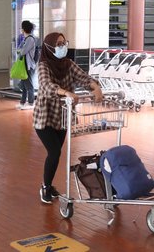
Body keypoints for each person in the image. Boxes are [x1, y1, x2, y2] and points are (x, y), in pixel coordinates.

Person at [34, 32, 103, 204]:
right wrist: (66, 92)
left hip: (63, 117)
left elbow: (83, 77)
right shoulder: (43, 65)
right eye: (58, 44)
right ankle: (45, 187)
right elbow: (46, 85)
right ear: (49, 47)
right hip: (45, 117)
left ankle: (48, 186)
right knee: (54, 152)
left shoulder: (68, 64)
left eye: (64, 43)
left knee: (56, 154)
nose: (62, 46)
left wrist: (95, 87)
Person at [16, 20, 37, 110]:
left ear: (23, 29)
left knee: (29, 85)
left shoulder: (30, 39)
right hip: (24, 66)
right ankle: (22, 102)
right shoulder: (27, 39)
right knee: (24, 86)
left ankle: (31, 102)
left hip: (28, 66)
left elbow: (22, 51)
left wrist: (20, 51)